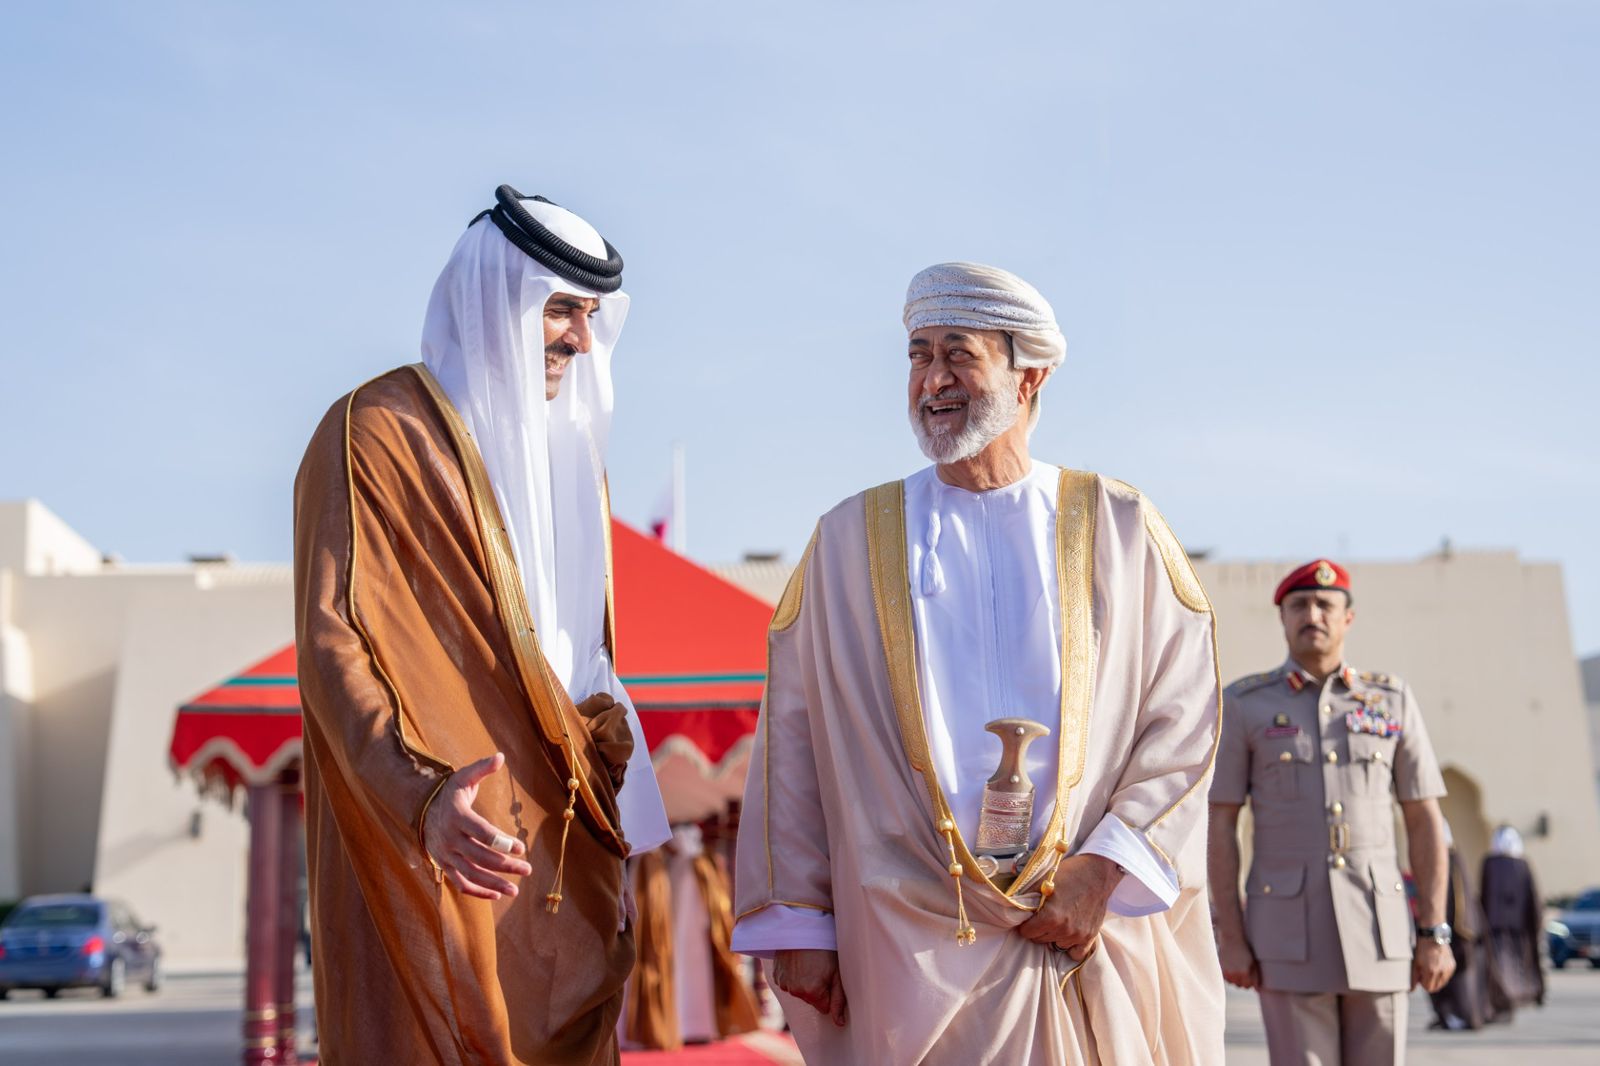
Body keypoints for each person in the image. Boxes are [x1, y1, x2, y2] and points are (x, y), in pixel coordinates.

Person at [732, 262, 1226, 1063]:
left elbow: (1185, 716)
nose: (932, 381)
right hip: (905, 938)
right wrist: (803, 921)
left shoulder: (1119, 526)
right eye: (918, 356)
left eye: (957, 355)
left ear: (1027, 375)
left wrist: (1103, 871)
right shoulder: (848, 541)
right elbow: (794, 744)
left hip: (1081, 932)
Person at [293, 185, 669, 1065]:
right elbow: (334, 637)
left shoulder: (577, 464)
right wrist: (418, 797)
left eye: (592, 316)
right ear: (497, 298)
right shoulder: (378, 433)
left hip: (563, 850)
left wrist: (626, 823)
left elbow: (592, 663)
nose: (580, 338)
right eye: (561, 310)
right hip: (427, 840)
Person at [1209, 559, 1456, 1065]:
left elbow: (1423, 819)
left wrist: (1435, 932)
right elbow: (1220, 825)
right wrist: (1229, 936)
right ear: (1282, 618)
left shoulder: (1390, 700)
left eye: (1326, 604)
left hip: (1380, 929)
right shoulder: (1244, 705)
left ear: (1348, 618)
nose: (1313, 614)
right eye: (1299, 604)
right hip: (1285, 936)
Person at [1428, 820, 1502, 1030]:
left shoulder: (1448, 860)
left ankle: (1464, 1016)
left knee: (1462, 979)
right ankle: (1451, 1015)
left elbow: (1455, 899)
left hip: (1457, 930)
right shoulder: (1449, 859)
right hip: (1453, 929)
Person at [1481, 825, 1545, 1009]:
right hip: (1515, 926)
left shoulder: (1491, 863)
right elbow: (1533, 898)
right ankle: (1512, 994)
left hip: (1501, 926)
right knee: (1510, 963)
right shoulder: (1521, 864)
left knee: (1504, 963)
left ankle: (1506, 995)